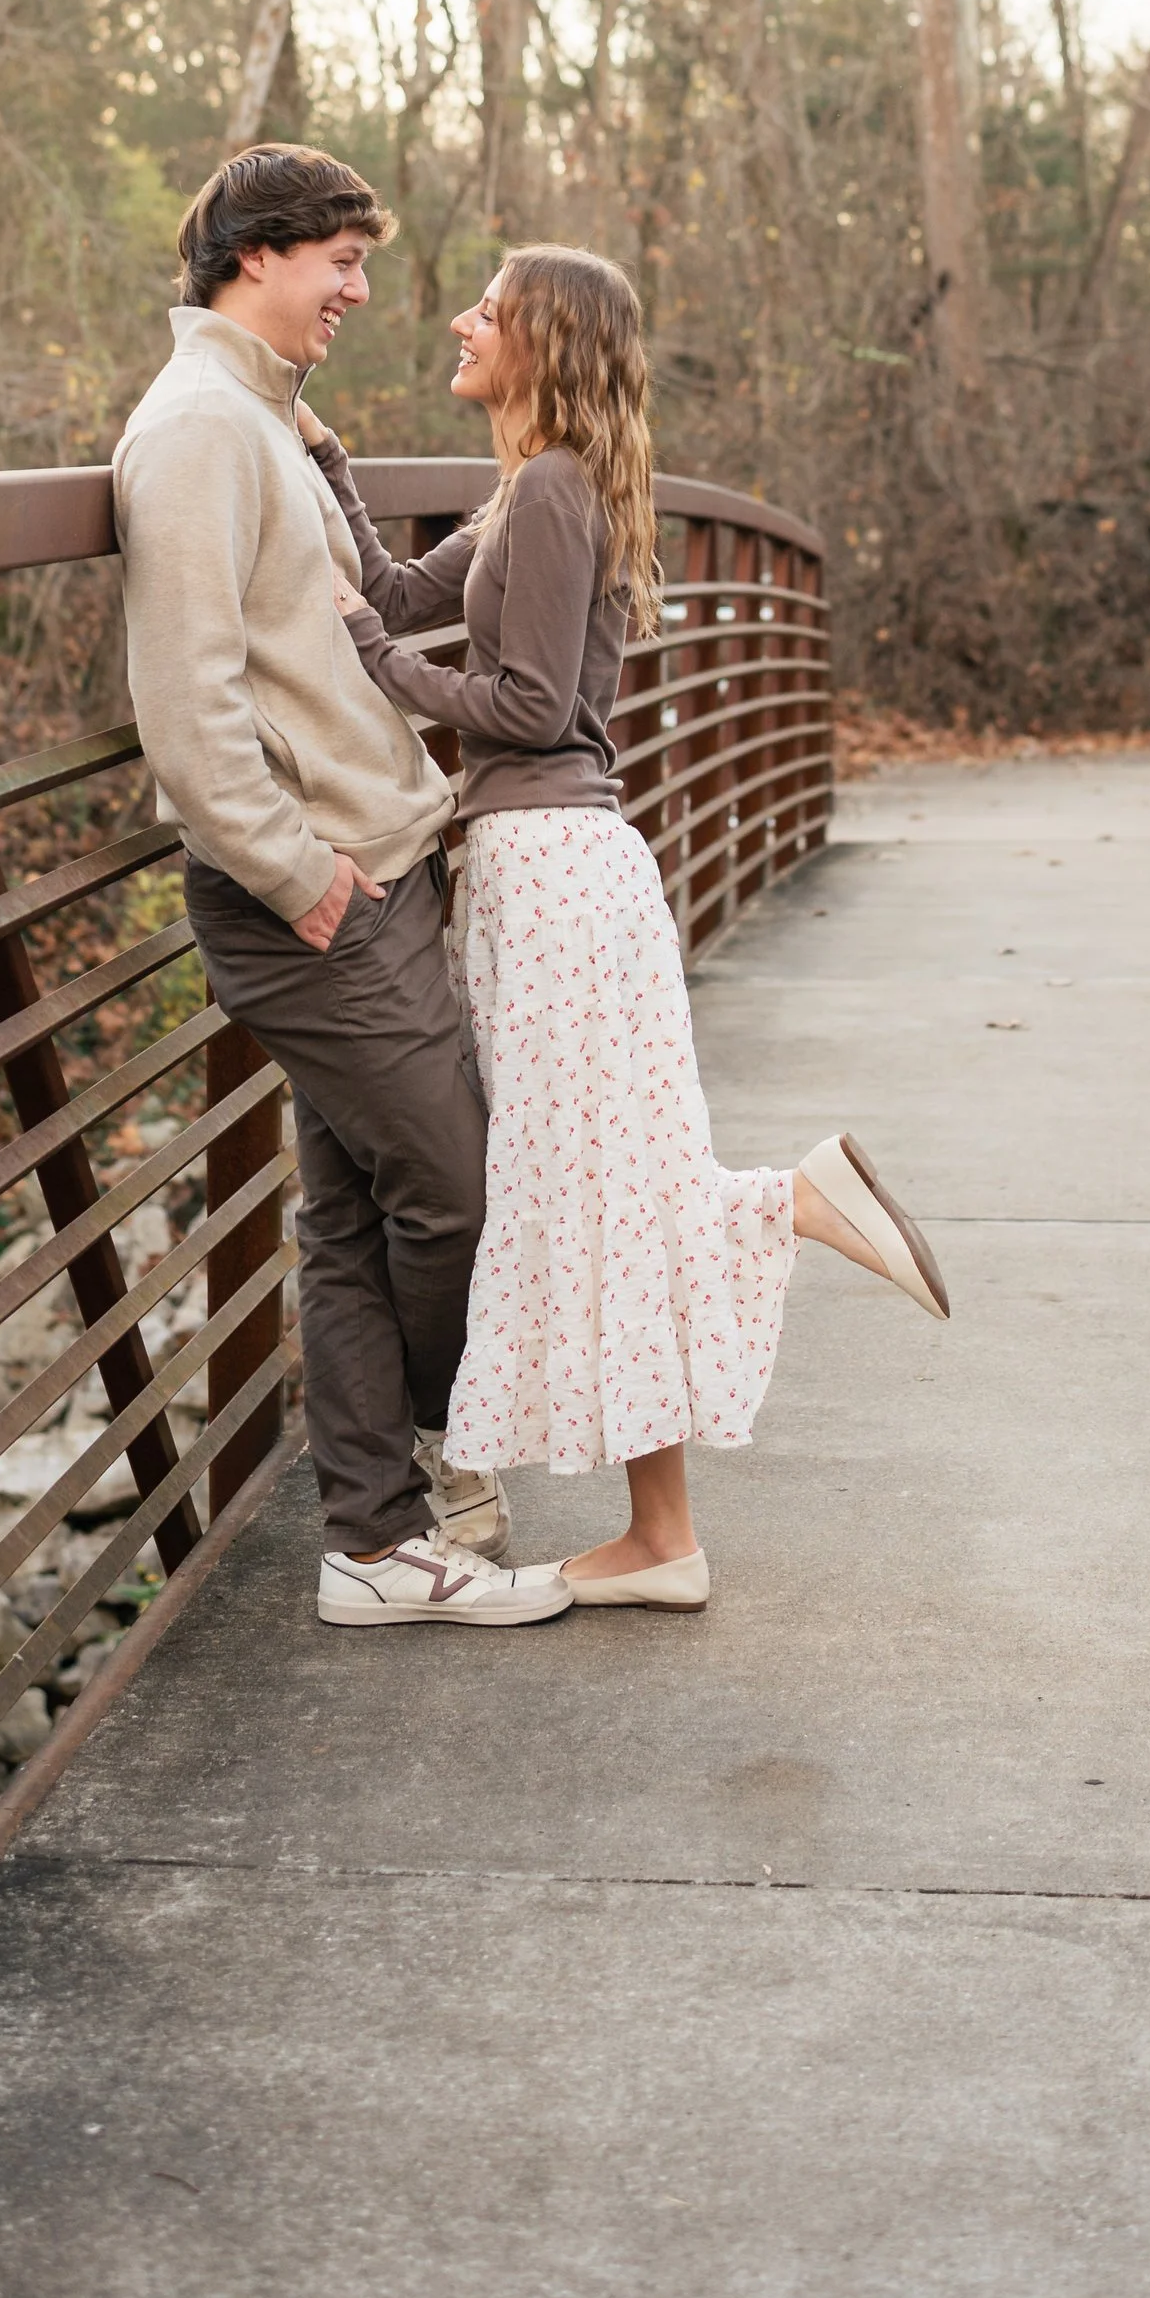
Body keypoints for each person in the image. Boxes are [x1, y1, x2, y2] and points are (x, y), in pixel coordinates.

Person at [306, 242, 949, 1609]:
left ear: (546, 342)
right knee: (600, 1189)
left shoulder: (547, 492)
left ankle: (791, 1201)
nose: (464, 319)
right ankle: (662, 1533)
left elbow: (528, 706)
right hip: (555, 872)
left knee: (578, 1189)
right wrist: (329, 463)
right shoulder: (531, 486)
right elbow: (396, 590)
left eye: (494, 306)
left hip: (550, 873)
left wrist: (376, 673)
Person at [113, 146, 572, 1631]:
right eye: (342, 263)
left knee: (355, 1208)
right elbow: (185, 709)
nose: (363, 294)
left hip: (374, 863)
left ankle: (376, 1537)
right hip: (318, 892)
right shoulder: (194, 430)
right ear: (259, 257)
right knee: (457, 1184)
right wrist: (301, 877)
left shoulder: (264, 418)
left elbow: (343, 612)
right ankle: (450, 1454)